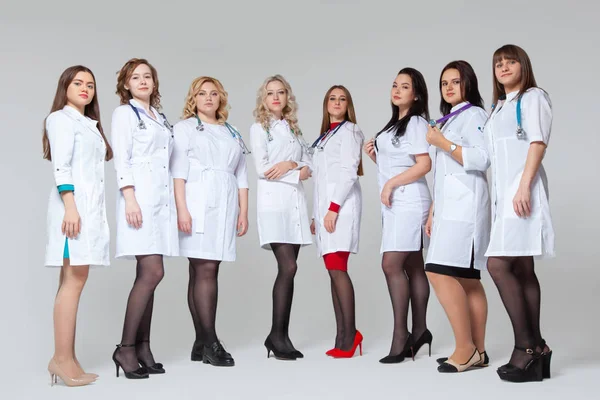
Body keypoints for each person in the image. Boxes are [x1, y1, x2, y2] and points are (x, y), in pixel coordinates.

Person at [483, 44, 554, 383]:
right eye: (498, 63)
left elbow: (537, 142)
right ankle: (538, 350)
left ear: (523, 66)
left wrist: (524, 186)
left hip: (521, 194)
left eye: (510, 61)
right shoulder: (498, 109)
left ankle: (525, 347)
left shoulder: (533, 97)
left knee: (498, 263)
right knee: (523, 266)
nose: (504, 67)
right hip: (504, 197)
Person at [172, 76, 249, 367]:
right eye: (201, 93)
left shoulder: (232, 131)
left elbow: (241, 174)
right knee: (204, 268)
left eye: (213, 93)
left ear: (221, 98)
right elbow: (178, 172)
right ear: (194, 99)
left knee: (202, 270)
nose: (208, 98)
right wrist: (182, 210)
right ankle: (211, 342)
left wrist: (243, 211)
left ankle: (199, 342)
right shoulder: (184, 128)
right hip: (197, 203)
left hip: (225, 203)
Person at [43, 65, 112, 386]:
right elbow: (62, 166)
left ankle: (67, 358)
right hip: (73, 212)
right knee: (74, 280)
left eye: (90, 85)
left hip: (87, 211)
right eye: (78, 83)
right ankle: (60, 360)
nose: (85, 88)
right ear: (65, 87)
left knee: (71, 281)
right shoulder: (60, 119)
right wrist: (70, 207)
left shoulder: (88, 124)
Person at [111, 58, 178, 379]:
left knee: (148, 273)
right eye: (135, 77)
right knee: (152, 272)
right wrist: (129, 197)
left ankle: (143, 347)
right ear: (125, 84)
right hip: (138, 200)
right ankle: (125, 348)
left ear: (154, 82)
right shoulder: (125, 114)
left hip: (160, 202)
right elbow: (121, 159)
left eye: (147, 76)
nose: (142, 81)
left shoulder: (160, 118)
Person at [424, 60, 491, 373]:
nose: (448, 88)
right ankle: (478, 351)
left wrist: (443, 143)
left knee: (438, 271)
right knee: (468, 281)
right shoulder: (450, 119)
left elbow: (481, 157)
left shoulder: (475, 114)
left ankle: (464, 348)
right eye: (444, 83)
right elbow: (443, 173)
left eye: (455, 81)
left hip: (466, 207)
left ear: (468, 84)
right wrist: (434, 209)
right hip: (449, 207)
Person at [363, 68, 432, 364]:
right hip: (395, 203)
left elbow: (424, 164)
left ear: (415, 94)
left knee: (391, 264)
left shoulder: (416, 122)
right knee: (414, 265)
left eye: (405, 86)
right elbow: (398, 163)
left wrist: (391, 182)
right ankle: (420, 332)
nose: (397, 90)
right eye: (395, 85)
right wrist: (377, 158)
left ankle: (400, 336)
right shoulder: (395, 125)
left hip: (409, 201)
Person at [249, 75, 312, 360]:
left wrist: (292, 164)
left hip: (294, 204)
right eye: (270, 93)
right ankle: (276, 335)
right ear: (263, 99)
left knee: (291, 268)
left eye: (281, 92)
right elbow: (263, 169)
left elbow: (310, 163)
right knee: (287, 267)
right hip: (274, 204)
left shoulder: (294, 129)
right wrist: (294, 170)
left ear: (287, 97)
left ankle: (281, 335)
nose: (275, 97)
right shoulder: (259, 129)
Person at [311, 85, 364, 358]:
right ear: (326, 104)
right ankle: (343, 334)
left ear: (348, 105)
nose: (336, 102)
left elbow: (348, 172)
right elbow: (320, 179)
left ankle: (351, 334)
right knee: (333, 271)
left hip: (341, 207)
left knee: (337, 268)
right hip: (326, 211)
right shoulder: (324, 137)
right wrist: (315, 214)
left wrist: (332, 208)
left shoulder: (351, 131)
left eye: (342, 99)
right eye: (332, 98)